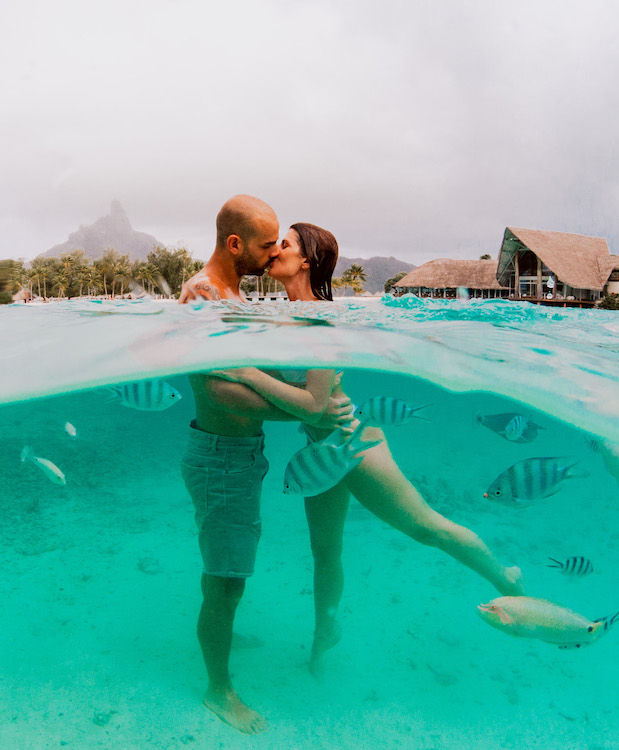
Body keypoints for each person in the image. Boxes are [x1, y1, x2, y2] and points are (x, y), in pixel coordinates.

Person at [213, 222, 525, 675]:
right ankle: (326, 633)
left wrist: (245, 373)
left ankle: (504, 576)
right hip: (322, 449)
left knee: (425, 527)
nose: (274, 248)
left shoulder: (320, 318)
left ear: (305, 261)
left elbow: (315, 403)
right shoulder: (287, 313)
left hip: (352, 444)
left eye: (286, 243)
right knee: (326, 553)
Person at [178, 196, 354, 734]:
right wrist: (308, 406)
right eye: (264, 244)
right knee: (225, 582)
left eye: (282, 242)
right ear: (235, 245)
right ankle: (218, 689)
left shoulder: (237, 294)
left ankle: (223, 634)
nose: (273, 251)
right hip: (221, 456)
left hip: (240, 455)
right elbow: (216, 391)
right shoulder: (201, 295)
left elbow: (263, 370)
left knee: (231, 570)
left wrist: (312, 397)